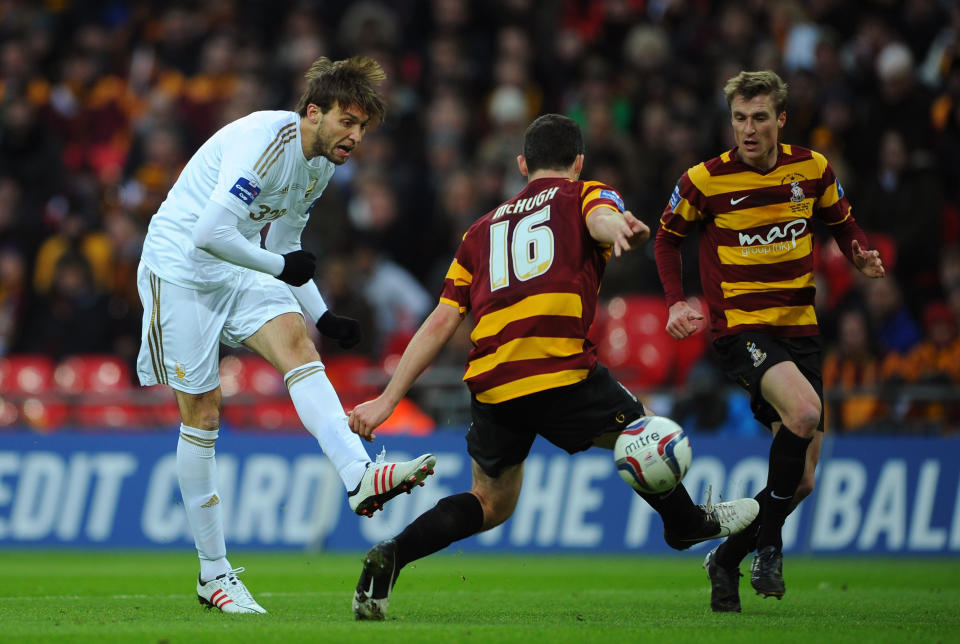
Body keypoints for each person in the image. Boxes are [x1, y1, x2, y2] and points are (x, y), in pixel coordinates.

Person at [347, 114, 760, 621]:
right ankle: (686, 523)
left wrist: (389, 398)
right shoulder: (583, 193)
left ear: (523, 165)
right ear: (579, 163)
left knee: (491, 501)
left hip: (493, 381)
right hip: (559, 370)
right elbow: (599, 218)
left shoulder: (479, 231)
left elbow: (440, 320)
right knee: (644, 432)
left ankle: (392, 555)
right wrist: (619, 225)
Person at [135, 57, 437, 615]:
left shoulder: (320, 164)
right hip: (178, 271)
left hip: (236, 265)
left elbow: (287, 239)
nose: (355, 136)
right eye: (347, 121)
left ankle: (359, 474)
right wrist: (278, 271)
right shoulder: (265, 143)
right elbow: (208, 233)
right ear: (313, 112)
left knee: (300, 343)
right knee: (201, 413)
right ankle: (213, 574)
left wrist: (321, 315)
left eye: (363, 127)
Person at [654, 70, 885, 612]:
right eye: (739, 118)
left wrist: (861, 252)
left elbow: (843, 223)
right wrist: (675, 300)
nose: (748, 129)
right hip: (742, 330)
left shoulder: (813, 168)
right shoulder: (704, 181)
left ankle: (727, 559)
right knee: (804, 414)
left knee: (802, 481)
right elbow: (667, 242)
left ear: (781, 119)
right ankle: (772, 547)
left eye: (759, 118)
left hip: (800, 330)